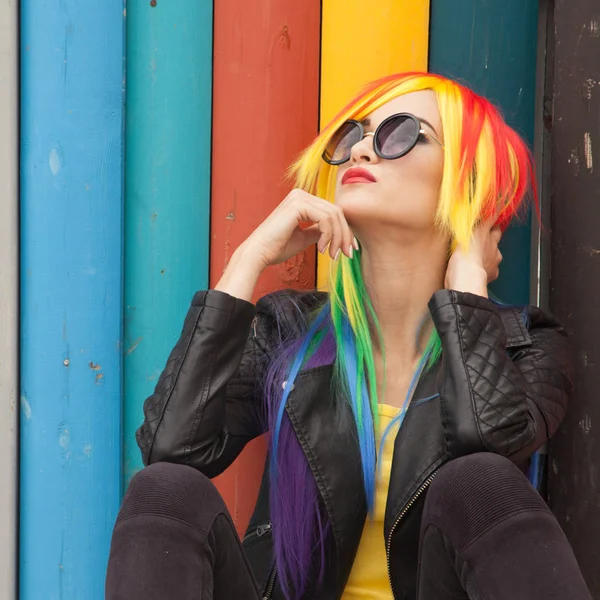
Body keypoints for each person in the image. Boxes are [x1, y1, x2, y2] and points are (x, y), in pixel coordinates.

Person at [105, 72, 591, 600]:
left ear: (468, 185)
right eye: (354, 135)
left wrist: (468, 280)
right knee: (165, 488)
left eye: (401, 133)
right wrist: (249, 260)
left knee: (476, 481)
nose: (361, 149)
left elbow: (486, 445)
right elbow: (172, 447)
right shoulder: (289, 331)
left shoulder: (527, 345)